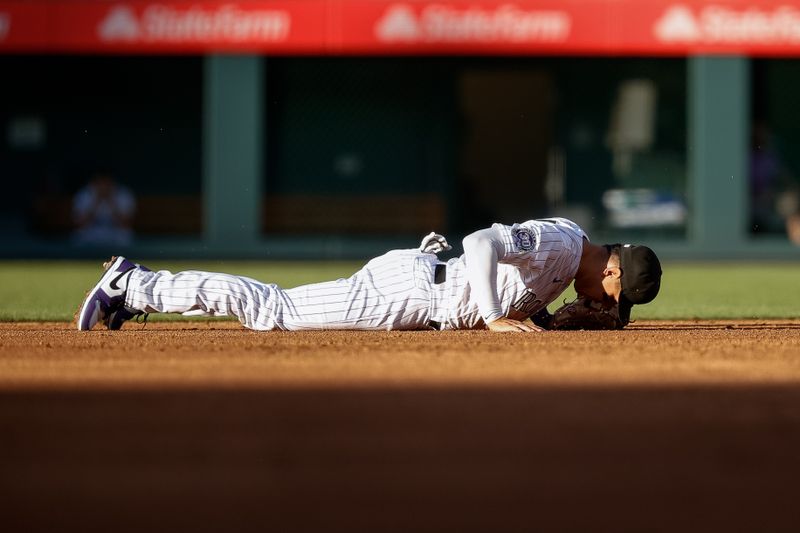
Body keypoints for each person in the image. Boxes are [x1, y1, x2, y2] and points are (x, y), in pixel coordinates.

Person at [76, 217, 662, 332]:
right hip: (408, 292)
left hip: (425, 287)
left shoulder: (572, 261)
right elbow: (481, 241)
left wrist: (547, 321)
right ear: (612, 272)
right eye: (618, 299)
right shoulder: (562, 242)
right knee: (272, 310)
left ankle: (135, 291)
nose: (613, 309)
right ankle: (133, 283)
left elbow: (519, 287)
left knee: (275, 309)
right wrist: (492, 317)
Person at [72, 169, 136, 246]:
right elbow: (80, 224)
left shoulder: (123, 194)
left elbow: (125, 224)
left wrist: (110, 200)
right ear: (94, 183)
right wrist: (97, 200)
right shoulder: (84, 194)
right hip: (92, 231)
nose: (103, 186)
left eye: (106, 183)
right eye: (100, 183)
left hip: (115, 231)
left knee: (125, 236)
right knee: (78, 236)